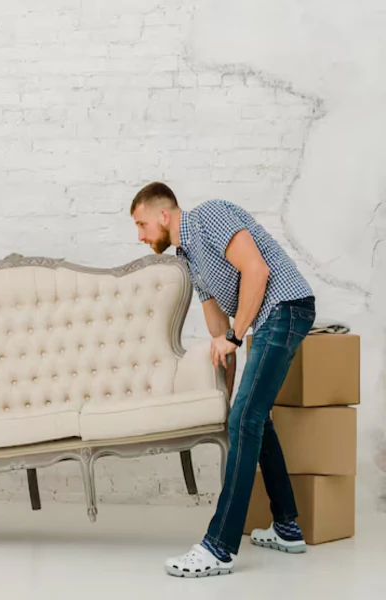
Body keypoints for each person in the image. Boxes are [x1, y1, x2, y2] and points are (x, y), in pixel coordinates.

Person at [130, 182, 316, 577]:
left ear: (164, 215)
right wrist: (225, 398)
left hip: (285, 306)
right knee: (251, 416)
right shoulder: (189, 259)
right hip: (268, 317)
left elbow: (257, 270)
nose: (141, 236)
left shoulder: (209, 217)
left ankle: (219, 548)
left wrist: (233, 337)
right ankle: (287, 526)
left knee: (247, 420)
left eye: (142, 224)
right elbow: (220, 334)